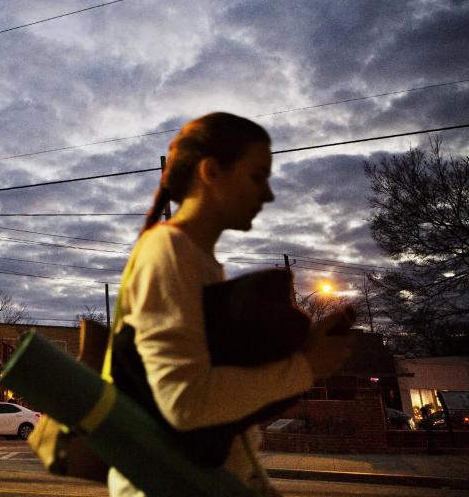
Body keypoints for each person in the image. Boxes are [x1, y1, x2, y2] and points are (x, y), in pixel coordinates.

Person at [108, 112, 355, 496]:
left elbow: (221, 416)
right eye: (257, 176)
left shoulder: (197, 259)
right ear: (211, 171)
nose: (268, 194)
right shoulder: (169, 252)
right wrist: (307, 366)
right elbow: (185, 402)